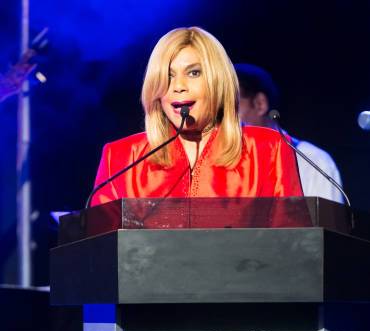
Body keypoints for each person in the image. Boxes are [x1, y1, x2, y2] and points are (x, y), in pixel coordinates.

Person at [90, 27, 302, 206]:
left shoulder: (270, 149)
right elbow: (100, 248)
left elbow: (294, 242)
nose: (179, 86)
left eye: (194, 73)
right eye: (167, 76)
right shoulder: (120, 158)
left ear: (218, 81)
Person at [235, 63, 344, 203]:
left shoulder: (313, 162)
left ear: (260, 104)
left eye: (231, 107)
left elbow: (328, 224)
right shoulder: (216, 166)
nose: (222, 120)